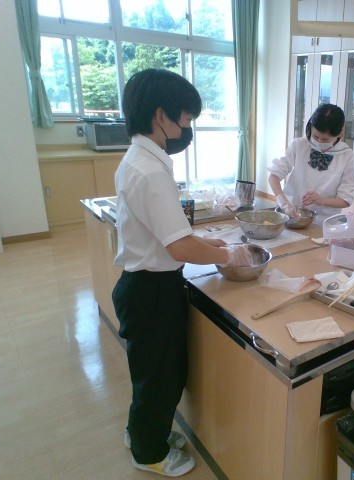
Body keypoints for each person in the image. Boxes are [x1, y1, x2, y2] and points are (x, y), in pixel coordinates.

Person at [111, 69, 252, 477]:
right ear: (161, 116)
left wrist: (210, 244)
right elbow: (179, 248)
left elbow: (169, 234)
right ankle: (149, 452)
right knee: (161, 378)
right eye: (186, 119)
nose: (186, 128)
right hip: (152, 290)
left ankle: (141, 432)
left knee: (151, 373)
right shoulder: (150, 171)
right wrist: (232, 255)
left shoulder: (140, 159)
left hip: (144, 284)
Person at [268, 103, 354, 224]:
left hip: (323, 221)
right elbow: (274, 177)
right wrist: (283, 202)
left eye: (325, 139)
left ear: (340, 133)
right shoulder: (299, 145)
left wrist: (321, 200)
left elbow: (345, 200)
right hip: (290, 213)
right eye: (315, 136)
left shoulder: (348, 158)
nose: (319, 141)